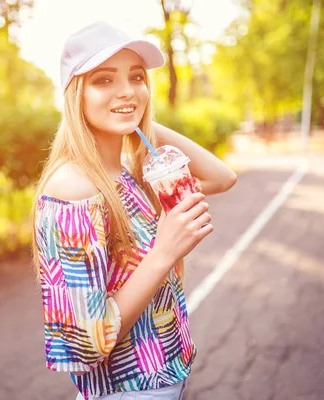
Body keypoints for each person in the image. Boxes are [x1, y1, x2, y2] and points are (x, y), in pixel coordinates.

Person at [31, 21, 237, 400]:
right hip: (129, 391)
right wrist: (164, 251)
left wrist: (135, 114)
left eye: (136, 77)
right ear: (75, 95)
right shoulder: (74, 189)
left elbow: (222, 177)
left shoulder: (124, 174)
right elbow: (85, 346)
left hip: (162, 381)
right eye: (104, 80)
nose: (127, 90)